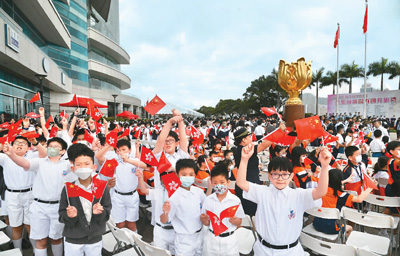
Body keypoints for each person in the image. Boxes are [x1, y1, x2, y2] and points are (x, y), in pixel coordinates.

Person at [236, 144, 330, 255]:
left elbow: (321, 192)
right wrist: (244, 159)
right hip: (263, 250)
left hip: (290, 251)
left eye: (285, 174)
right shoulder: (262, 192)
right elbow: (241, 183)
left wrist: (324, 167)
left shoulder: (298, 195)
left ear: (291, 176)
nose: (280, 179)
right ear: (270, 176)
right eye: (275, 174)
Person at [3, 137, 75, 256]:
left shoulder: (67, 165)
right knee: (41, 240)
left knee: (56, 238)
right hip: (39, 206)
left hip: (58, 206)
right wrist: (11, 154)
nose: (52, 149)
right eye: (50, 146)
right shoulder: (40, 162)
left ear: (63, 151)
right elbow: (23, 163)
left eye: (56, 147)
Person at [59, 144, 111, 255]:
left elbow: (107, 214)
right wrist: (69, 215)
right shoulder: (68, 189)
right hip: (73, 238)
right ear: (73, 168)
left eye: (87, 164)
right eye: (79, 164)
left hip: (94, 238)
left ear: (94, 167)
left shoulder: (101, 187)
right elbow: (61, 215)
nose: (83, 167)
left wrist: (99, 213)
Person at [96, 139, 146, 232]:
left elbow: (145, 166)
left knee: (131, 224)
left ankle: (134, 244)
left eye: (124, 149)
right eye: (119, 150)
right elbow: (98, 156)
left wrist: (128, 160)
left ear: (130, 150)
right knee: (120, 224)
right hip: (118, 196)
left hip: (132, 196)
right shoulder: (115, 162)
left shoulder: (134, 161)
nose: (121, 152)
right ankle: (124, 244)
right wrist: (108, 145)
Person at [161, 159, 205, 256]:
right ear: (177, 175)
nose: (187, 177)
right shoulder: (174, 197)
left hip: (200, 235)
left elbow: (205, 206)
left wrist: (209, 187)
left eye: (191, 174)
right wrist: (165, 212)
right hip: (184, 239)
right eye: (184, 175)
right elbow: (164, 220)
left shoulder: (199, 192)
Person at [200, 163, 245, 256]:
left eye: (222, 182)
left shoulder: (235, 200)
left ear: (228, 182)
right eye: (215, 183)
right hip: (211, 240)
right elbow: (206, 222)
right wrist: (204, 220)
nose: (218, 185)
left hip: (229, 241)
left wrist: (235, 221)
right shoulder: (208, 199)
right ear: (211, 183)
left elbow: (239, 221)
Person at [312, 168, 373, 237]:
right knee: (350, 228)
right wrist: (370, 187)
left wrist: (345, 181)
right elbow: (359, 199)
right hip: (330, 227)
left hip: (316, 223)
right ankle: (344, 245)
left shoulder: (320, 189)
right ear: (339, 181)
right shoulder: (340, 195)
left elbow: (332, 183)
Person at [232, 127, 273, 216]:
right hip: (249, 185)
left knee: (247, 214)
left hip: (245, 184)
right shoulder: (245, 150)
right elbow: (265, 144)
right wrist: (278, 131)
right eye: (249, 136)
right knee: (252, 214)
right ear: (244, 140)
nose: (251, 138)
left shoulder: (240, 149)